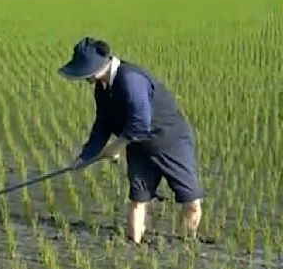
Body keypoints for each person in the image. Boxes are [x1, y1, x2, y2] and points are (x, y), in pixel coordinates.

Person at [59, 37, 203, 244]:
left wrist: (115, 148)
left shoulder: (130, 79)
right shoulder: (102, 87)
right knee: (138, 198)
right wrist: (85, 157)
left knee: (189, 198)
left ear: (100, 65)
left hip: (170, 142)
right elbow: (103, 124)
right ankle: (133, 244)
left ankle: (189, 242)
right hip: (137, 144)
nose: (84, 78)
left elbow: (140, 123)